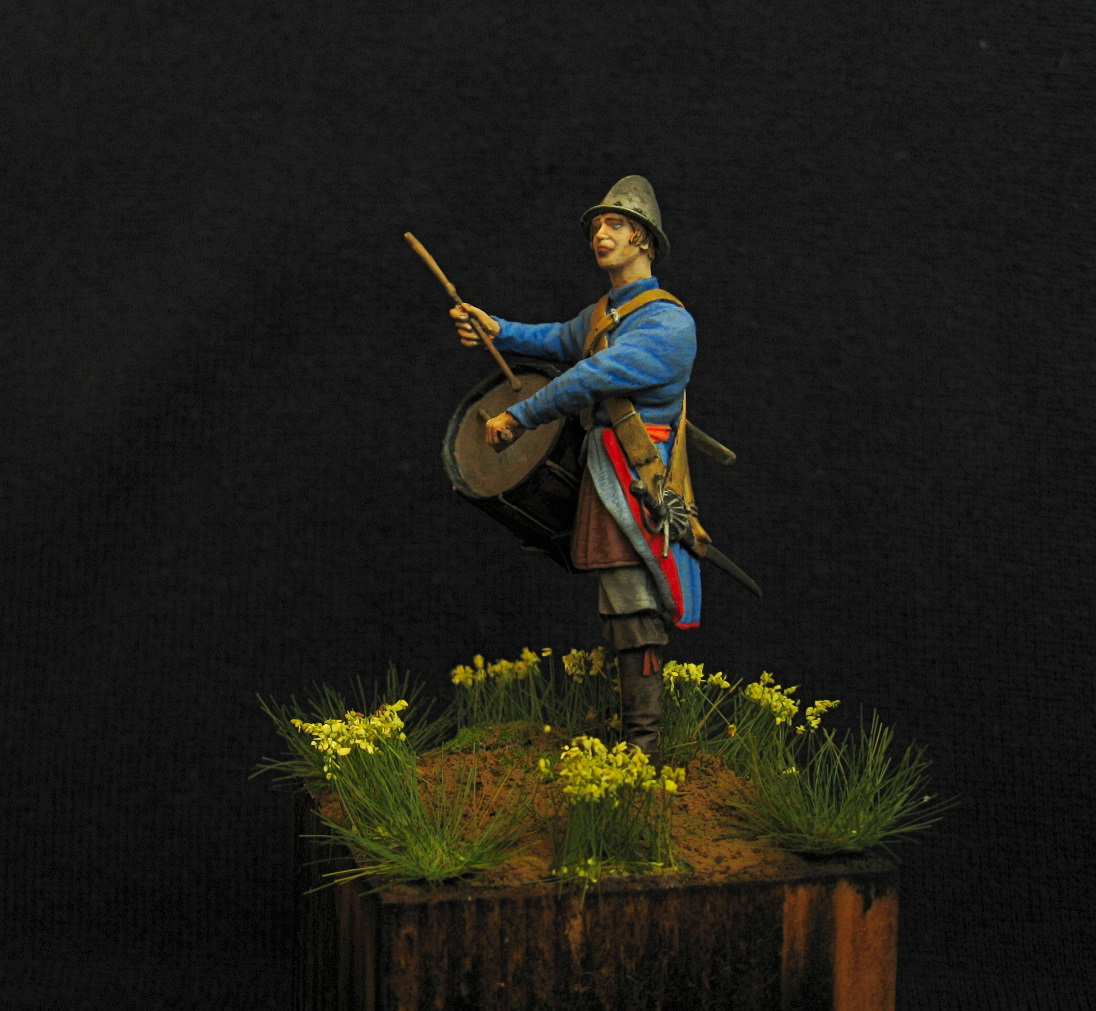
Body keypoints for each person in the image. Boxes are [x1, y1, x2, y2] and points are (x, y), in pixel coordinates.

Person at [449, 176, 701, 759]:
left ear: (642, 239)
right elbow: (561, 340)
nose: (600, 235)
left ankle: (643, 747)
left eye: (615, 224)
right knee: (616, 602)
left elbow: (592, 375)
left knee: (635, 603)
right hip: (603, 469)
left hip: (637, 480)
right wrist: (497, 330)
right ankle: (631, 735)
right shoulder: (604, 315)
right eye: (595, 228)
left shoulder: (669, 325)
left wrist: (521, 415)